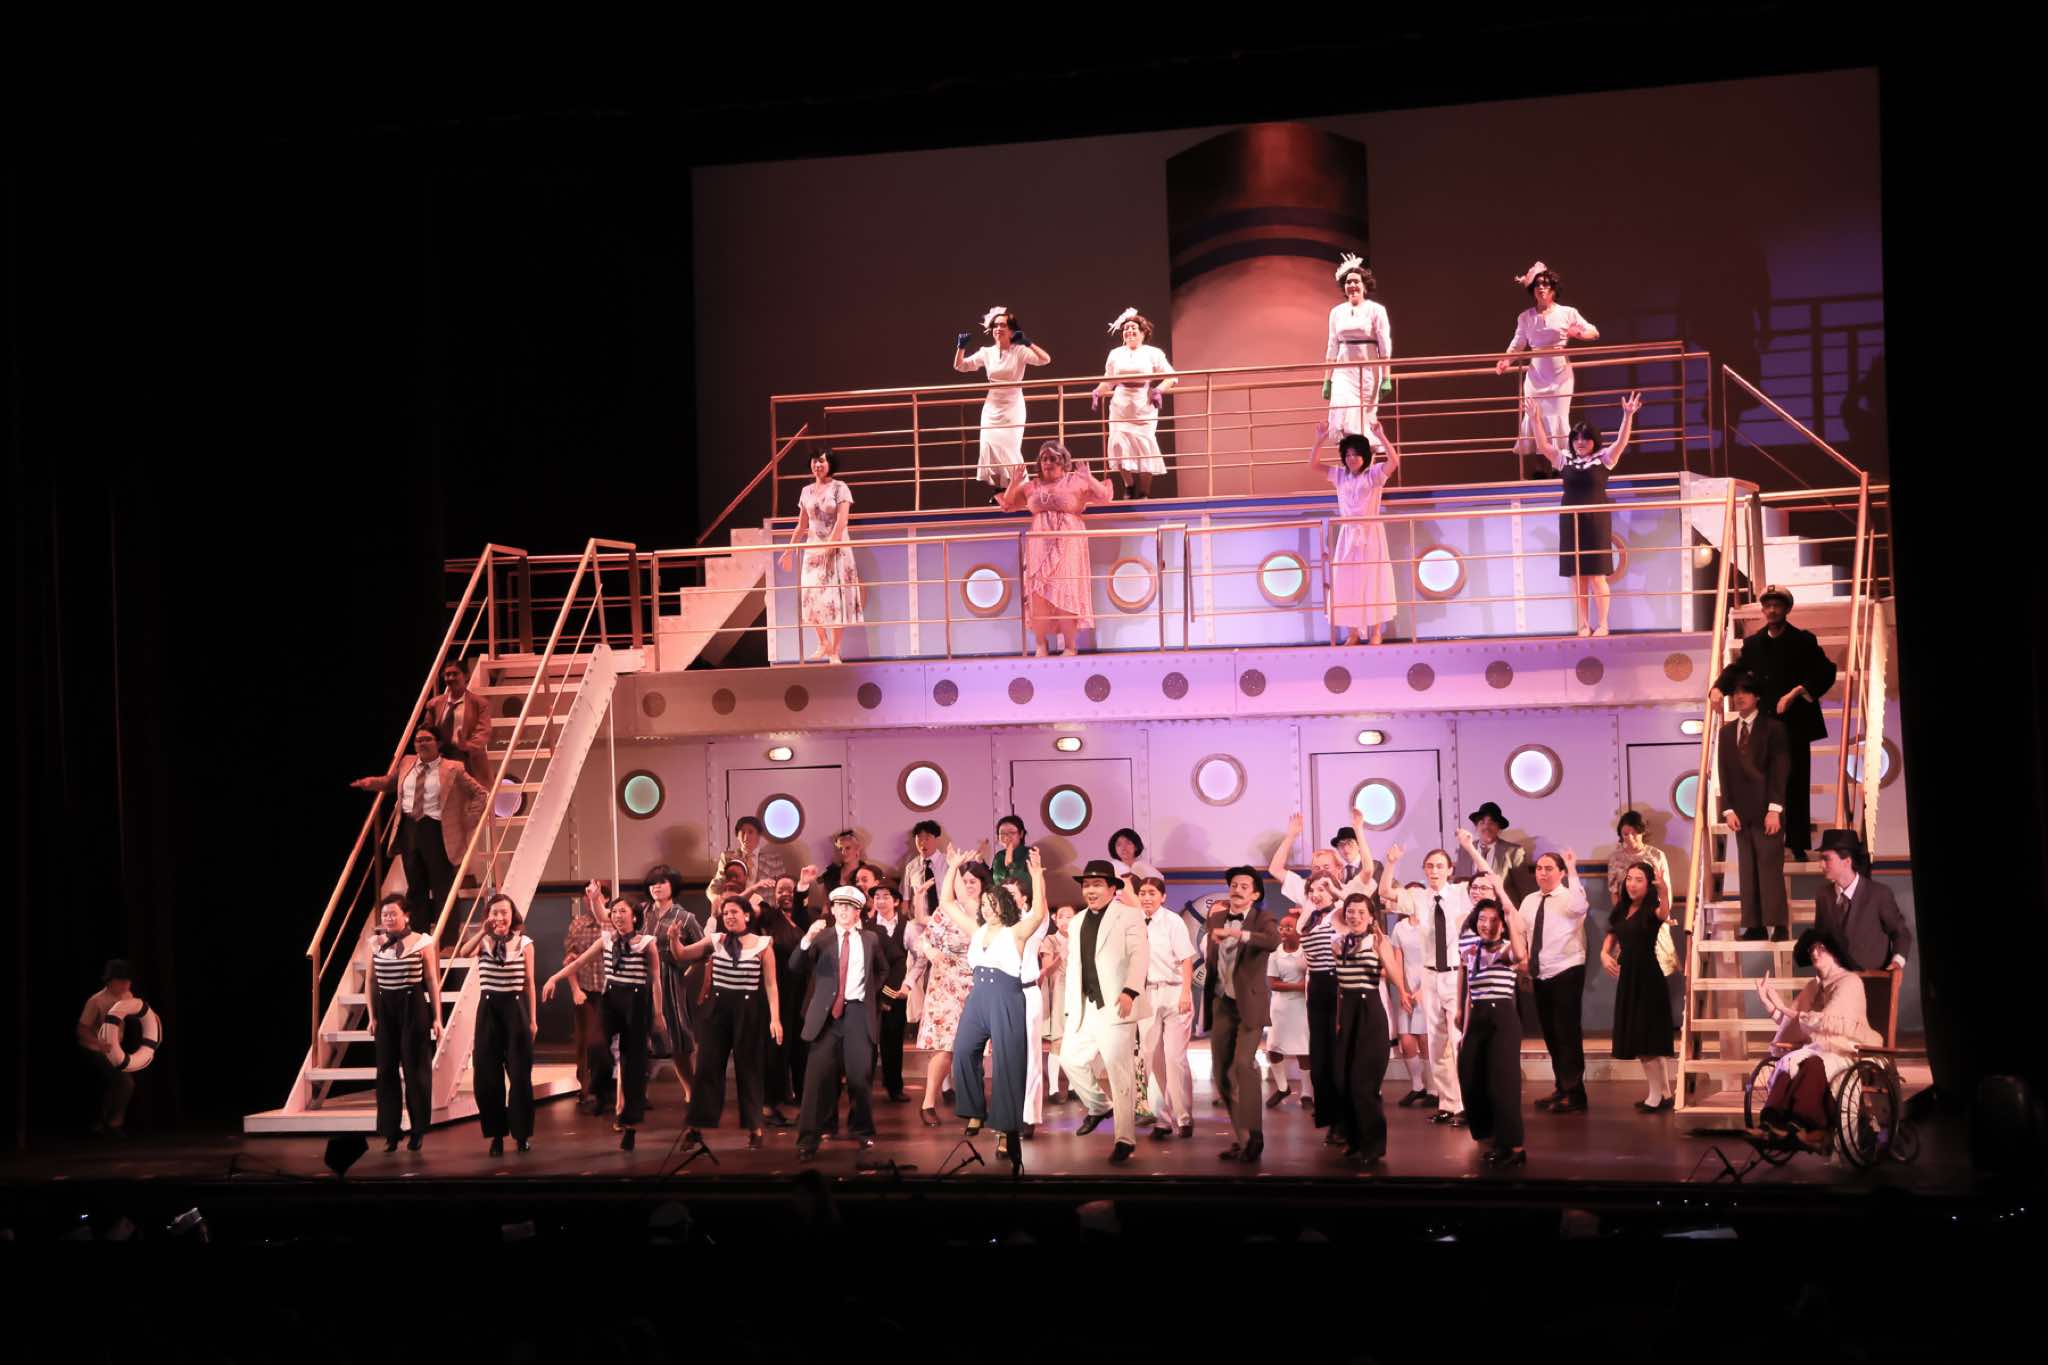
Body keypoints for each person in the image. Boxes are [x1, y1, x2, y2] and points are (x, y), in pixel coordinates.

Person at [1709, 585, 1839, 858]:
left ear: (1786, 609)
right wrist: (1719, 687)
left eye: (1776, 605)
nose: (1771, 610)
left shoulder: (1802, 640)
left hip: (1795, 724)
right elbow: (1737, 669)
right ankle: (1770, 840)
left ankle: (1797, 843)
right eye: (1767, 606)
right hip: (1766, 725)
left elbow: (1826, 670)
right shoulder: (1754, 643)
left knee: (1796, 781)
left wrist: (1797, 691)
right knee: (1767, 782)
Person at [952, 848, 1050, 1170]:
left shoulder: (1016, 931)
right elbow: (948, 903)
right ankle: (975, 1110)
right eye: (984, 903)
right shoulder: (977, 929)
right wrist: (953, 867)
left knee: (1008, 1065)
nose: (986, 907)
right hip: (979, 996)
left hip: (1007, 996)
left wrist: (1036, 876)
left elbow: (1038, 914)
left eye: (992, 903)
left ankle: (1006, 1131)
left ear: (1005, 905)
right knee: (963, 1051)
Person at [545, 896, 665, 1150]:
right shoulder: (606, 940)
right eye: (614, 912)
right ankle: (602, 1091)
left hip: (636, 1001)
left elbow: (655, 980)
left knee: (633, 1064)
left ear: (634, 916)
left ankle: (629, 1124)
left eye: (623, 911)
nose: (618, 916)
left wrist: (658, 1013)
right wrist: (554, 978)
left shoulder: (647, 943)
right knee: (595, 1044)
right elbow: (579, 962)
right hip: (611, 998)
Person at [671, 896, 785, 1150]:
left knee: (749, 1069)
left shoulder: (763, 944)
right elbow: (681, 954)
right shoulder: (716, 940)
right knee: (707, 1067)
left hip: (749, 1011)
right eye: (725, 913)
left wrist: (775, 1018)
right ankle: (696, 1127)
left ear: (747, 915)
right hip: (717, 1011)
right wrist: (674, 939)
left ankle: (755, 1128)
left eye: (734, 912)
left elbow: (771, 984)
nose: (729, 916)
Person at [351, 727, 490, 934]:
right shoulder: (407, 762)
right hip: (409, 829)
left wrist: (469, 820)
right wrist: (372, 783)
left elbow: (480, 793)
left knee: (442, 888)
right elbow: (391, 782)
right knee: (416, 888)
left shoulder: (453, 767)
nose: (422, 743)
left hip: (437, 830)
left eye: (427, 739)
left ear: (438, 743)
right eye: (418, 740)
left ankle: (448, 939)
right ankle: (418, 937)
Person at [791, 885, 894, 1161]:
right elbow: (795, 966)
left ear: (858, 911)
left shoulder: (870, 939)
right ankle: (808, 1140)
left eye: (849, 907)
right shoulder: (822, 937)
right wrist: (806, 939)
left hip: (858, 1014)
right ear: (833, 910)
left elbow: (883, 968)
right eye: (839, 906)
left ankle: (862, 1131)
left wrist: (869, 993)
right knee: (817, 1080)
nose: (843, 911)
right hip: (826, 1018)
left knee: (860, 1077)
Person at [1526, 390, 1642, 637]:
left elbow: (1621, 442)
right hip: (1571, 521)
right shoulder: (1564, 459)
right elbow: (1544, 446)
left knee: (1597, 575)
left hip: (1596, 521)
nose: (1580, 442)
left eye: (1586, 438)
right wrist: (1535, 419)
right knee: (1577, 577)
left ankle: (1603, 624)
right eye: (1576, 438)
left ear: (1594, 441)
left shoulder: (1604, 459)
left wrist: (1628, 416)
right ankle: (1582, 624)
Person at [1268, 813, 1358, 1130]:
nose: (1320, 872)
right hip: (1316, 981)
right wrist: (1292, 834)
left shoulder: (1346, 898)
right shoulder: (1310, 895)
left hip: (1340, 980)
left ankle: (1346, 1115)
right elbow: (1276, 869)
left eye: (1326, 867)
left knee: (1339, 1049)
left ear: (1338, 870)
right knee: (1319, 1049)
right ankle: (1327, 1113)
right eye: (1315, 867)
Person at [1061, 858, 1149, 1163]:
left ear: (1113, 889)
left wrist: (1130, 990)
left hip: (1117, 1004)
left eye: (1097, 884)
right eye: (1087, 885)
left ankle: (1125, 1139)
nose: (1091, 890)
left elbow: (1139, 955)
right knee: (1070, 1059)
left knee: (1118, 1072)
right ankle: (1099, 1106)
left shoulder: (1129, 915)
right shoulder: (1076, 921)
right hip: (1085, 1005)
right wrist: (1070, 1008)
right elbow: (1075, 966)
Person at [1755, 929, 1882, 1137]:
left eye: (1821, 948)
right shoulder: (1813, 986)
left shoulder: (1850, 982)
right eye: (1811, 949)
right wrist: (1768, 1004)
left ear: (1834, 952)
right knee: (1789, 1062)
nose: (1815, 953)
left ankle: (1804, 1123)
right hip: (1818, 1049)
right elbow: (1796, 1024)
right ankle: (1770, 1121)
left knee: (1812, 1063)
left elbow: (1823, 1021)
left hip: (1845, 1051)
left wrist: (1783, 1007)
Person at [1381, 845, 1474, 1128]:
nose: (1434, 870)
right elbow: (1385, 891)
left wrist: (1470, 848)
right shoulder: (1418, 897)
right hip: (1430, 974)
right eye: (1430, 866)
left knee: (1458, 1041)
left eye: (1439, 866)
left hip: (1455, 973)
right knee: (1436, 1043)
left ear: (1450, 870)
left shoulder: (1460, 892)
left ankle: (1466, 1105)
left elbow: (1491, 881)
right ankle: (1447, 1103)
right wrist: (1391, 862)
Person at [997, 441, 1114, 657]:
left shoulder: (1074, 481)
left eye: (1053, 458)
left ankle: (1070, 645)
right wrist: (1014, 483)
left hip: (1068, 543)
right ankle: (1041, 644)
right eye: (1044, 458)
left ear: (1063, 462)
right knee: (1038, 593)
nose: (1047, 463)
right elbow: (1007, 504)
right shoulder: (1032, 486)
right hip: (1039, 544)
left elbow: (1105, 496)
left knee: (1065, 590)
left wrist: (1089, 478)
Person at [1206, 865, 1283, 1162]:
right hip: (1222, 1003)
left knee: (1243, 1065)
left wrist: (1238, 934)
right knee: (1221, 1073)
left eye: (1243, 886)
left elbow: (1273, 941)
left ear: (1255, 894)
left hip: (1249, 1004)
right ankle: (1243, 1138)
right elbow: (1213, 961)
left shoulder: (1264, 918)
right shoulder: (1215, 918)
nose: (1236, 890)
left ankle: (1255, 1134)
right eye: (1233, 885)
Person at [1329, 891, 1410, 1164]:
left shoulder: (1377, 941)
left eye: (1361, 912)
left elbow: (1395, 975)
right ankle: (1354, 1140)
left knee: (1364, 1084)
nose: (1355, 916)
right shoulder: (1338, 943)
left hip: (1370, 1013)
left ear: (1371, 916)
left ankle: (1373, 1146)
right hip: (1348, 1013)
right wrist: (1339, 1019)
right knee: (1343, 1081)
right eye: (1351, 911)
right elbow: (1340, 987)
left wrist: (1403, 992)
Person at [454, 892, 537, 1155]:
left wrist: (533, 1020)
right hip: (488, 1010)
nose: (500, 917)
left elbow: (530, 983)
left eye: (504, 912)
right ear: (488, 916)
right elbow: (464, 952)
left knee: (520, 1076)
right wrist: (482, 931)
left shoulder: (524, 942)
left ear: (513, 915)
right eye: (495, 912)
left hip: (515, 1008)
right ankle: (496, 1136)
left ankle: (521, 1135)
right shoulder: (484, 942)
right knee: (487, 1076)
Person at [1309, 418, 1402, 646]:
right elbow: (1314, 464)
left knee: (1373, 579)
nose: (1352, 458)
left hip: (1371, 533)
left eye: (1356, 454)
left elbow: (1394, 461)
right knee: (1346, 581)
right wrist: (1319, 440)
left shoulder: (1374, 474)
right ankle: (1352, 632)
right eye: (1348, 454)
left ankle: (1376, 631)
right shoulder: (1340, 475)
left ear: (1365, 456)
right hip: (1348, 534)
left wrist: (1381, 436)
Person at [1496, 261, 1600, 456]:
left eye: (1545, 284)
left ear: (1553, 288)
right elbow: (1518, 344)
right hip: (1536, 377)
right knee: (1534, 417)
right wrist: (1506, 361)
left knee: (1558, 417)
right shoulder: (1525, 317)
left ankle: (1559, 465)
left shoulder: (1567, 312)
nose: (1541, 288)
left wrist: (1577, 333)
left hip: (1560, 375)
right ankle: (1539, 466)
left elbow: (1594, 332)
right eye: (1537, 285)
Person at [366, 892, 444, 1152]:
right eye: (385, 914)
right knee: (385, 1071)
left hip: (413, 1005)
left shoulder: (422, 941)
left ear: (406, 916)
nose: (388, 918)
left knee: (415, 1071)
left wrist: (437, 1018)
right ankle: (391, 1132)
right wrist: (372, 1016)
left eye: (393, 914)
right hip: (386, 1008)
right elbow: (371, 981)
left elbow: (431, 980)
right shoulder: (376, 943)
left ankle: (418, 1130)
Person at [1717, 672, 1791, 942]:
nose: (1739, 697)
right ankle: (1754, 925)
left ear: (1756, 696)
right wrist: (1728, 809)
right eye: (1735, 692)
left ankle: (1778, 924)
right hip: (1740, 811)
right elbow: (1724, 772)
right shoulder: (1726, 732)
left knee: (1770, 867)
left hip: (1766, 808)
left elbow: (1780, 770)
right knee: (1747, 869)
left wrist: (1775, 809)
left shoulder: (1773, 728)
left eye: (1745, 692)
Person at [1457, 899, 1528, 1167]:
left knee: (1503, 1085)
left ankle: (1514, 1147)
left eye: (1494, 920)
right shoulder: (1469, 948)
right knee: (1470, 1076)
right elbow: (1470, 990)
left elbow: (1519, 955)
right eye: (1482, 919)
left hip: (1502, 1018)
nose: (1487, 925)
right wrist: (1464, 1030)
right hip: (1477, 1017)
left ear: (1503, 923)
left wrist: (1508, 914)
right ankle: (1490, 1137)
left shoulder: (1506, 948)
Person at [1601, 862, 1676, 1112]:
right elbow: (1612, 935)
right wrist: (1604, 954)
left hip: (1648, 980)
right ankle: (1664, 1093)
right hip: (1629, 979)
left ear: (1648, 885)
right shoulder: (1622, 909)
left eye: (1639, 880)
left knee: (1647, 1041)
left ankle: (1655, 1097)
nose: (1632, 884)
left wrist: (1663, 889)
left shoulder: (1650, 909)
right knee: (1647, 1040)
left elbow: (1663, 912)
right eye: (1629, 879)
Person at [1521, 849, 1591, 1114]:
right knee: (1550, 1033)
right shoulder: (1530, 900)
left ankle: (1575, 1093)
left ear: (1560, 873)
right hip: (1541, 972)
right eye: (1539, 868)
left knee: (1567, 1033)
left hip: (1567, 970)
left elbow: (1580, 907)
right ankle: (1562, 1086)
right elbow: (1521, 931)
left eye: (1549, 868)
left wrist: (1572, 868)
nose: (1543, 873)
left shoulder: (1570, 897)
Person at [778, 449, 863, 665]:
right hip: (813, 549)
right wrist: (788, 551)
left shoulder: (840, 487)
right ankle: (823, 642)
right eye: (815, 461)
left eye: (822, 461)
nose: (818, 465)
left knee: (835, 599)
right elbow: (801, 525)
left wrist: (828, 548)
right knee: (810, 595)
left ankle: (835, 651)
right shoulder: (806, 491)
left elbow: (842, 521)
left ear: (830, 464)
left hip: (836, 549)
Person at [955, 306, 1050, 487]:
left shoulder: (1019, 351)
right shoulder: (986, 352)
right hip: (992, 407)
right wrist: (961, 348)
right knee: (990, 447)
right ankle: (999, 491)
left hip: (1012, 406)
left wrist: (1028, 343)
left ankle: (1019, 489)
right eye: (995, 325)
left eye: (1003, 325)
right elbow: (960, 366)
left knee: (1009, 448)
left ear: (1012, 330)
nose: (998, 328)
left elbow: (1045, 359)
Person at [1133, 873, 1196, 1140]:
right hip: (1147, 992)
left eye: (1152, 893)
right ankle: (1162, 1118)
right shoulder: (1134, 921)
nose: (1147, 898)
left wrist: (1185, 992)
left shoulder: (1173, 921)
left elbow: (1186, 959)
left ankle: (1184, 1116)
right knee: (1151, 1056)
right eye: (1143, 893)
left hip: (1174, 990)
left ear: (1163, 897)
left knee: (1174, 1058)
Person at [915, 853, 977, 1127]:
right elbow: (925, 939)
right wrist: (931, 952)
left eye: (973, 881)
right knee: (945, 1045)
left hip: (975, 981)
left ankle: (973, 1103)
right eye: (965, 880)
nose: (968, 885)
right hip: (945, 982)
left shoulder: (986, 911)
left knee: (973, 1045)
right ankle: (928, 1102)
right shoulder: (945, 911)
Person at [1091, 307, 1177, 499]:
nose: (1129, 331)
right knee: (1118, 443)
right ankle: (1129, 485)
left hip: (1143, 405)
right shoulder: (1115, 353)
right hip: (1120, 405)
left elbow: (1171, 376)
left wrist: (1158, 390)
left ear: (1143, 332)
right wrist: (1098, 391)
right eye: (1126, 328)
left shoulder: (1153, 353)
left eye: (1133, 328)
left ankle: (1144, 492)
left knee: (1145, 447)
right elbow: (1109, 380)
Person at [643, 864, 702, 1101]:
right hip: (642, 978)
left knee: (678, 1039)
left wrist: (685, 974)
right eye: (652, 883)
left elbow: (703, 951)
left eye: (662, 882)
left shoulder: (685, 917)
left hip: (670, 980)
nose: (656, 887)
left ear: (673, 886)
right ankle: (637, 1096)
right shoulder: (642, 912)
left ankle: (692, 1092)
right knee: (640, 1037)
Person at [1814, 830, 1912, 972]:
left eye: (1826, 859)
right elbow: (1820, 936)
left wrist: (1897, 962)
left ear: (1847, 861)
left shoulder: (1879, 894)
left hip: (1873, 979)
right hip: (1836, 979)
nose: (1821, 865)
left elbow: (1900, 933)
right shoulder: (1823, 895)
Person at [1323, 254, 1394, 443]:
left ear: (1364, 286)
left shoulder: (1376, 310)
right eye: (1348, 282)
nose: (1352, 285)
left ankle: (1366, 460)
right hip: (1343, 372)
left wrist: (1386, 377)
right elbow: (1332, 346)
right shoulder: (1336, 312)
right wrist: (1327, 380)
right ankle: (1348, 460)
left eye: (1356, 281)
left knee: (1363, 422)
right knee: (1340, 415)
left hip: (1368, 373)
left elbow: (1384, 345)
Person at [752, 878, 805, 1126]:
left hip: (801, 993)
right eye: (780, 890)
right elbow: (739, 905)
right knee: (775, 1047)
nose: (786, 894)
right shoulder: (770, 916)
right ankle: (768, 1105)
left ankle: (798, 1101)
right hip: (776, 990)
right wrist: (753, 888)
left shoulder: (805, 917)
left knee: (799, 1048)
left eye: (790, 890)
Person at [1379, 861, 1431, 1110]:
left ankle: (1434, 1089)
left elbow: (1435, 959)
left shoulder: (1431, 925)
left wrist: (1423, 990)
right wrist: (1401, 990)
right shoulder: (1400, 927)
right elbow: (1397, 961)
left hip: (1428, 987)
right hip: (1407, 989)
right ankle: (1417, 1086)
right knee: (1407, 1039)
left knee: (1426, 1039)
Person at [77, 959, 146, 1135]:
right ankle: (114, 1123)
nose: (126, 985)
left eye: (128, 981)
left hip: (114, 1048)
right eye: (121, 980)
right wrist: (98, 1043)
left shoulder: (126, 995)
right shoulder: (96, 1001)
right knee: (125, 1082)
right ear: (110, 981)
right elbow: (82, 1029)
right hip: (94, 1048)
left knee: (117, 1083)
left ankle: (103, 1122)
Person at [563, 879, 610, 1108]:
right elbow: (569, 960)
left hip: (609, 991)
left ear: (606, 898)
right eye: (587, 894)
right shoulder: (577, 924)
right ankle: (584, 1088)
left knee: (605, 1042)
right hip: (586, 991)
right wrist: (575, 989)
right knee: (584, 1041)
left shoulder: (611, 922)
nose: (589, 898)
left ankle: (607, 1089)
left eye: (597, 894)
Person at [1260, 912, 1313, 1110]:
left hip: (1302, 1007)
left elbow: (1312, 977)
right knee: (1274, 1049)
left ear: (1298, 931)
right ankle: (1283, 1088)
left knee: (1304, 1050)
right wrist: (1300, 987)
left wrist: (1303, 987)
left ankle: (1307, 1093)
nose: (1283, 931)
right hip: (1281, 1008)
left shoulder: (1307, 951)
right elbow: (1273, 983)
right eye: (1281, 927)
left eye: (1288, 927)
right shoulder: (1275, 954)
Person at [867, 883, 913, 1102]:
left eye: (885, 896)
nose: (880, 901)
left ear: (896, 901)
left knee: (893, 1040)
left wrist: (905, 986)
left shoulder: (907, 925)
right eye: (877, 897)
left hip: (896, 991)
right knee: (868, 1040)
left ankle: (894, 1087)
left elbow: (914, 958)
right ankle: (864, 1087)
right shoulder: (867, 926)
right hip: (871, 991)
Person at [1453, 802, 1539, 908]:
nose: (1486, 827)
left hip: (1501, 910)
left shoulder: (1514, 852)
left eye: (1491, 823)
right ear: (1476, 826)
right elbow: (1459, 883)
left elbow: (1525, 889)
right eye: (1482, 822)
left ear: (1499, 827)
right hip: (1471, 910)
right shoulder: (1465, 849)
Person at [426, 658, 492, 784]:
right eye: (447, 675)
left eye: (455, 674)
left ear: (466, 676)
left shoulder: (479, 703)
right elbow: (427, 731)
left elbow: (484, 731)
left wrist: (468, 745)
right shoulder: (434, 704)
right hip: (441, 758)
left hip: (467, 757)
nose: (451, 678)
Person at [1606, 811, 1673, 910]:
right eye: (1625, 834)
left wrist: (1663, 913)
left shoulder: (1656, 855)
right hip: (1626, 911)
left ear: (1642, 832)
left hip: (1653, 911)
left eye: (1634, 833)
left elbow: (1666, 890)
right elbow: (1614, 892)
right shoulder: (1615, 858)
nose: (1630, 838)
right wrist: (1621, 915)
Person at [900, 819, 944, 917]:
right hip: (919, 919)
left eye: (927, 838)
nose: (922, 843)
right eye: (919, 838)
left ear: (936, 839)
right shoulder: (911, 867)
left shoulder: (948, 864)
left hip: (946, 919)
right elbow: (905, 900)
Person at [734, 815, 785, 886]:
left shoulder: (774, 859)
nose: (746, 836)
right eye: (742, 832)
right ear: (737, 835)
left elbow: (782, 885)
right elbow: (718, 885)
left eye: (750, 832)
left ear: (759, 835)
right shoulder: (728, 858)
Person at [990, 815, 1030, 892]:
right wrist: (980, 862)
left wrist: (1010, 865)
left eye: (1011, 832)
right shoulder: (999, 855)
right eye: (1002, 833)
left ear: (1021, 834)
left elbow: (1026, 882)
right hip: (1000, 897)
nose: (1006, 836)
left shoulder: (1029, 853)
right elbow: (991, 881)